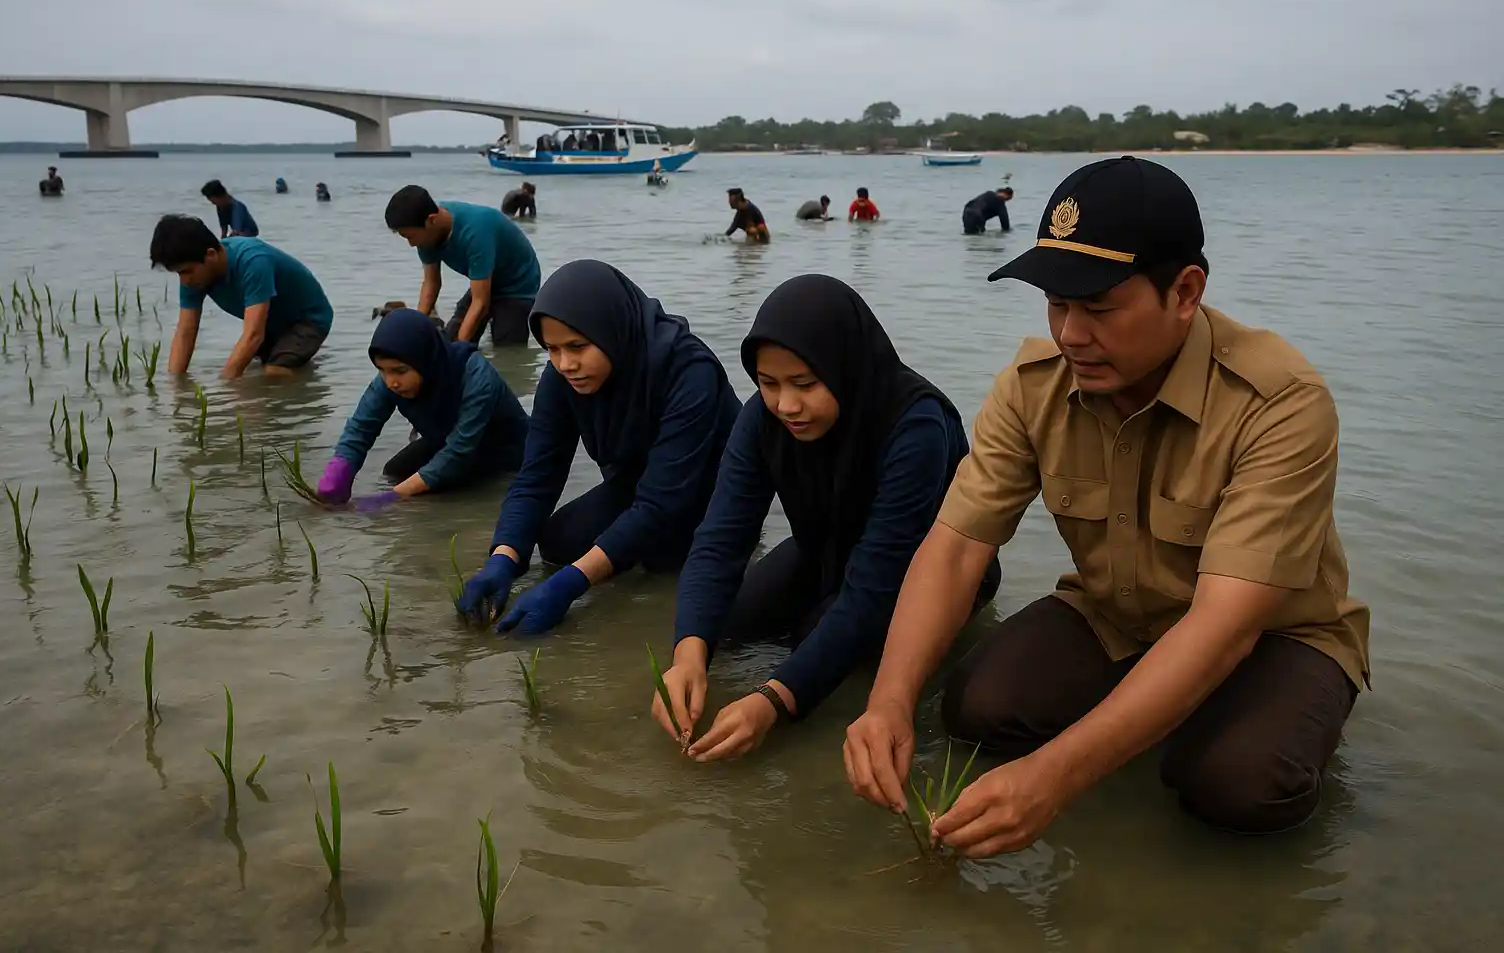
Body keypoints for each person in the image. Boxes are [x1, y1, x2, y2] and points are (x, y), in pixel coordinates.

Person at [843, 156, 1370, 854]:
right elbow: (956, 548)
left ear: (1184, 292)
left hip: (1274, 638)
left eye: (1097, 308)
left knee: (1235, 786)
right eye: (1056, 304)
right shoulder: (1032, 386)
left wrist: (1053, 779)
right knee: (977, 710)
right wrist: (887, 703)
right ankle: (1151, 717)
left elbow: (1224, 626)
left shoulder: (1280, 403)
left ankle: (1223, 726)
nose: (1069, 334)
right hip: (1117, 615)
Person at [653, 275, 1000, 761]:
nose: (786, 406)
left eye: (804, 384)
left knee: (813, 640)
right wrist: (687, 654)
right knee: (719, 628)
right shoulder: (762, 418)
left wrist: (774, 699)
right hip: (824, 546)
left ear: (843, 368)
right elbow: (720, 539)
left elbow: (875, 585)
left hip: (919, 570)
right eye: (768, 384)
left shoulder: (916, 426)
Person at [456, 260, 741, 635]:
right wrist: (503, 557)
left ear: (611, 329)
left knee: (664, 560)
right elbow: (537, 476)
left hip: (708, 488)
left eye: (578, 346)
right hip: (638, 482)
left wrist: (573, 584)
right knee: (558, 543)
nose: (566, 364)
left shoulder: (688, 370)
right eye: (552, 349)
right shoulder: (560, 378)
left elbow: (662, 503)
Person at [315, 308, 530, 511]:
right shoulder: (391, 379)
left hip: (504, 452)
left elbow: (458, 451)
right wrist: (339, 470)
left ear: (425, 359)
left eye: (400, 371)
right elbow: (361, 427)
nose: (391, 382)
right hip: (447, 441)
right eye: (382, 370)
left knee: (432, 496)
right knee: (394, 472)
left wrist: (392, 498)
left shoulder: (477, 376)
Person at [150, 214, 333, 379]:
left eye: (186, 272)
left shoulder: (253, 262)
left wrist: (224, 391)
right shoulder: (194, 276)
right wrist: (175, 388)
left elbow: (253, 335)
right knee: (253, 369)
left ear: (211, 255)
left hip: (309, 319)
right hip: (272, 323)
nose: (184, 280)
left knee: (273, 370)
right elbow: (185, 333)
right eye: (178, 274)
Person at [383, 185, 541, 347]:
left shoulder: (475, 232)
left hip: (518, 283)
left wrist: (460, 348)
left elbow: (480, 302)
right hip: (485, 279)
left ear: (431, 220)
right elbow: (431, 283)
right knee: (447, 343)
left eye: (410, 237)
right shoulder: (425, 231)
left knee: (506, 351)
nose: (411, 244)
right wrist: (415, 330)